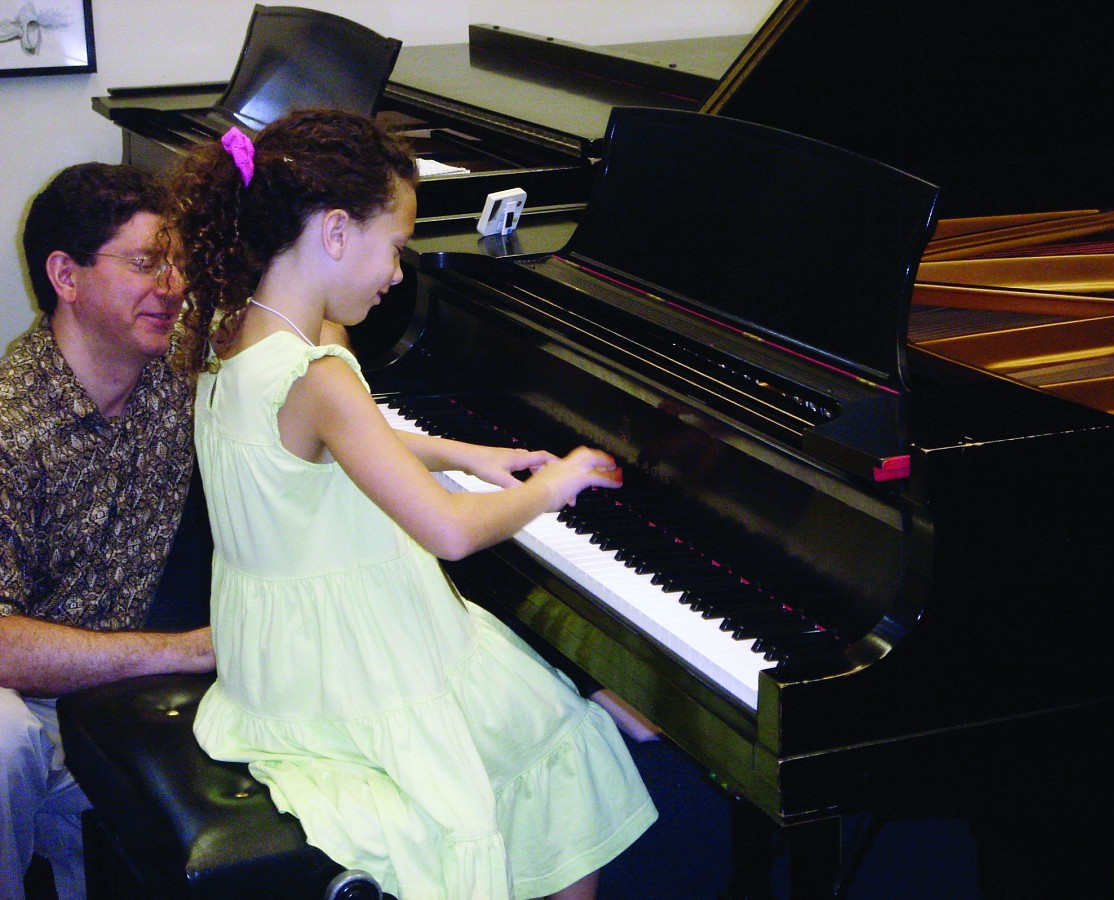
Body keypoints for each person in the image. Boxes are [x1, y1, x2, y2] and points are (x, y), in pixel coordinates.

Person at [167, 108, 658, 900]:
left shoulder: (234, 333)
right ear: (335, 231)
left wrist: (466, 451)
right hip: (353, 664)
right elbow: (450, 533)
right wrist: (550, 487)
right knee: (561, 744)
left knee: (534, 705)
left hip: (278, 656)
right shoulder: (318, 372)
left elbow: (346, 446)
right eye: (394, 247)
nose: (398, 273)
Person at [0, 162, 215, 900]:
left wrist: (466, 456)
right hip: (21, 698)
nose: (174, 284)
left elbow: (304, 343)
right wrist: (181, 652)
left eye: (178, 262)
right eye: (147, 261)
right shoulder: (10, 425)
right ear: (66, 275)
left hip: (110, 704)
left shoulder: (174, 359)